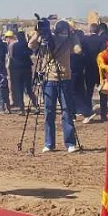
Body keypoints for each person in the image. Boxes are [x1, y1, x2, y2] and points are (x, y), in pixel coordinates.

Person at [29, 19, 79, 153]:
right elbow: (31, 45)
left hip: (64, 79)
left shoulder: (67, 41)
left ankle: (67, 143)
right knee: (50, 112)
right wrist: (38, 32)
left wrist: (72, 35)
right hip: (49, 79)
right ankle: (50, 143)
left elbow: (78, 50)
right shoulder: (47, 39)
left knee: (65, 111)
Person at [11, 28, 39, 111]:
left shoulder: (15, 45)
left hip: (17, 69)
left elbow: (13, 56)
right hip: (27, 69)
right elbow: (31, 52)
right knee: (29, 89)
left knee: (19, 89)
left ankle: (22, 108)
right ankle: (35, 106)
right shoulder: (27, 44)